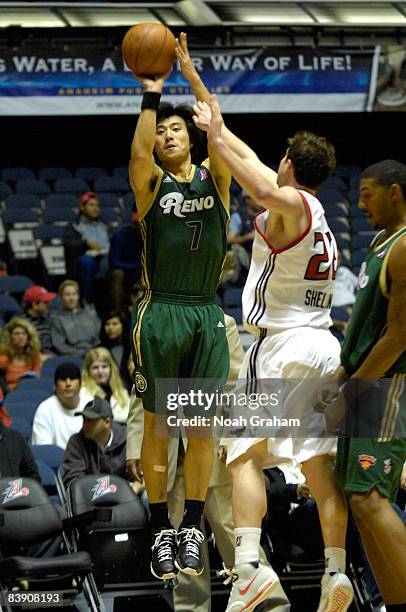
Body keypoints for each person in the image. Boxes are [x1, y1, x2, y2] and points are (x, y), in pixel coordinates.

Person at [178, 32, 351, 611]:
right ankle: (335, 575)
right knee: (318, 469)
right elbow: (240, 152)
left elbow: (251, 178)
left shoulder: (293, 205)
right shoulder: (317, 208)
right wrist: (206, 105)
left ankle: (250, 568)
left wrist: (217, 135)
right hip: (322, 347)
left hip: (281, 347)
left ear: (290, 165)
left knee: (243, 454)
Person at [128, 50, 231, 581]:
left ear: (190, 137)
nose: (167, 135)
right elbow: (139, 149)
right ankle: (157, 529)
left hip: (205, 312)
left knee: (201, 426)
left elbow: (218, 125)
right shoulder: (151, 185)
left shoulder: (216, 178)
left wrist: (191, 79)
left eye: (176, 128)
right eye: (162, 130)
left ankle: (191, 525)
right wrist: (153, 90)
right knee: (158, 422)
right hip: (161, 309)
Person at [126, 313, 290, 612]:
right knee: (182, 550)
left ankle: (271, 604)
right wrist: (137, 446)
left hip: (211, 449)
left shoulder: (221, 323)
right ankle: (191, 609)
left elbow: (234, 384)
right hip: (168, 458)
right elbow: (143, 390)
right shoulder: (154, 318)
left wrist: (233, 438)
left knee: (234, 537)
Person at [329, 160, 406, 611]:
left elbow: (398, 335)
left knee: (372, 497)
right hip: (364, 381)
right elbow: (366, 326)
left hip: (387, 384)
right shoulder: (381, 243)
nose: (359, 205)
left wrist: (353, 387)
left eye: (368, 194)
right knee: (360, 502)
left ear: (395, 193)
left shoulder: (403, 247)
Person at [63, 397, 127, 488]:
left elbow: (142, 476)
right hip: (89, 499)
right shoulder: (76, 442)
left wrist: (135, 488)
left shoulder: (128, 439)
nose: (84, 424)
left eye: (90, 420)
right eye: (84, 419)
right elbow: (74, 483)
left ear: (107, 422)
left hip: (125, 497)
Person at [63, 191, 110, 305]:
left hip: (105, 256)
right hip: (85, 258)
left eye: (97, 205)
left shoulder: (104, 225)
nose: (95, 208)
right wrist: (86, 243)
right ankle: (87, 300)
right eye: (91, 205)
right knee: (87, 262)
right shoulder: (74, 226)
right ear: (82, 207)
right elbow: (69, 245)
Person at [32, 362, 92, 448]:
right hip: (56, 460)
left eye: (72, 378)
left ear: (80, 385)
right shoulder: (45, 409)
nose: (68, 383)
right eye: (63, 379)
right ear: (54, 386)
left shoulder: (91, 404)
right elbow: (44, 450)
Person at [50, 279, 100, 358]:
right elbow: (59, 345)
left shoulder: (90, 315)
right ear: (61, 297)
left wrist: (94, 352)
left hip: (95, 354)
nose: (71, 298)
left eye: (74, 294)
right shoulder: (57, 318)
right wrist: (81, 354)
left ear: (78, 296)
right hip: (72, 356)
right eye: (67, 294)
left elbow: (99, 338)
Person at [81, 347, 130, 423]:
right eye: (95, 367)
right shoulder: (83, 392)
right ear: (88, 371)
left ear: (111, 368)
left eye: (104, 366)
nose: (100, 372)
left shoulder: (122, 392)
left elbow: (129, 417)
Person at [108, 208, 143, 311]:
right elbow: (114, 262)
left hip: (141, 272)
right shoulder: (121, 235)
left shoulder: (151, 236)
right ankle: (117, 315)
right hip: (125, 271)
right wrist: (138, 266)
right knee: (117, 274)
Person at [0, 317, 41, 392]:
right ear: (10, 337)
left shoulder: (34, 355)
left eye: (24, 333)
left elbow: (37, 378)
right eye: (16, 334)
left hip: (30, 391)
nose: (21, 337)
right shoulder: (3, 358)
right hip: (9, 395)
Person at [99, 311, 133, 392]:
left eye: (115, 324)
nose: (110, 327)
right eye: (107, 324)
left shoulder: (132, 346)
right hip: (107, 391)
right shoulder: (99, 349)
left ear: (123, 326)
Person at [22, 284, 56, 357]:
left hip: (52, 356)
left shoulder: (48, 319)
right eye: (45, 302)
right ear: (35, 305)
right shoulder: (21, 324)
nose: (49, 304)